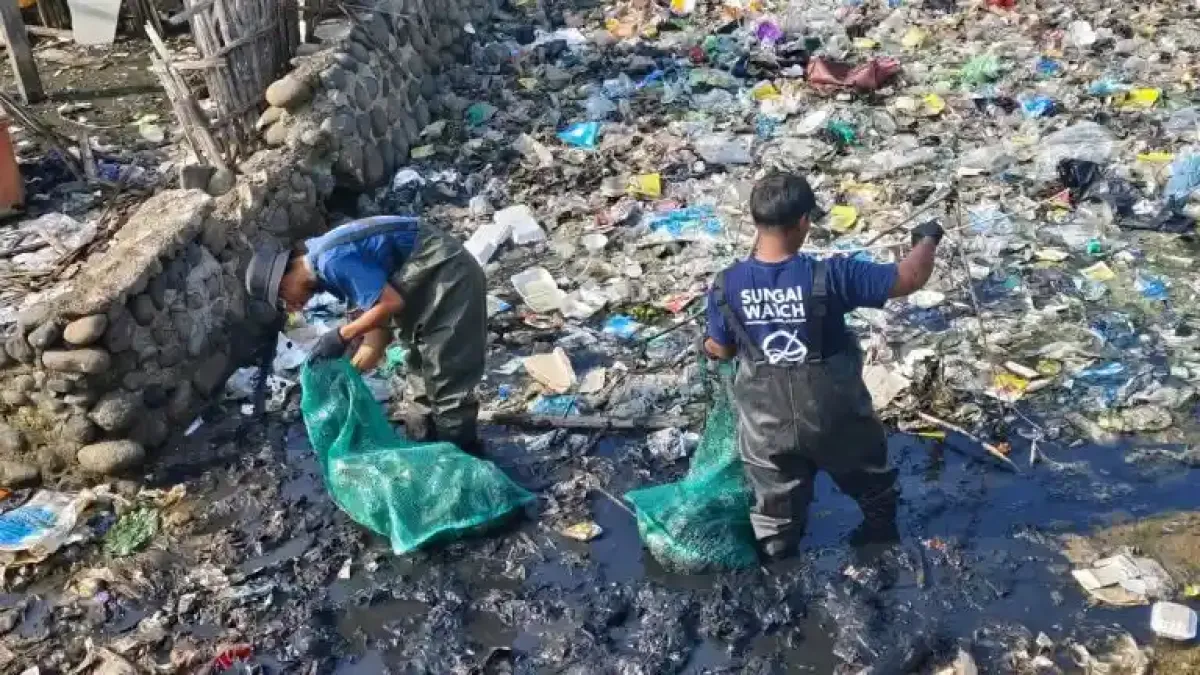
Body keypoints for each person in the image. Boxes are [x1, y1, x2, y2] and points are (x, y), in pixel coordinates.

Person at [703, 172, 942, 560]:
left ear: (756, 220)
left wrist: (708, 345)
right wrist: (927, 239)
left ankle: (782, 574)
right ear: (802, 222)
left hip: (767, 425)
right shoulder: (832, 275)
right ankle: (880, 549)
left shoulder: (725, 285)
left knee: (776, 515)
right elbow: (908, 277)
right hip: (835, 414)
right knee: (872, 485)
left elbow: (723, 350)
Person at [244, 215, 488, 455]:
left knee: (447, 381)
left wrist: (341, 335)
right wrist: (349, 374)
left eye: (284, 299)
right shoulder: (327, 271)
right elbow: (377, 336)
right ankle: (424, 456)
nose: (293, 307)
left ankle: (465, 464)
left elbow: (391, 303)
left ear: (283, 280)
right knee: (419, 377)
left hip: (449, 277)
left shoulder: (331, 261)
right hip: (421, 289)